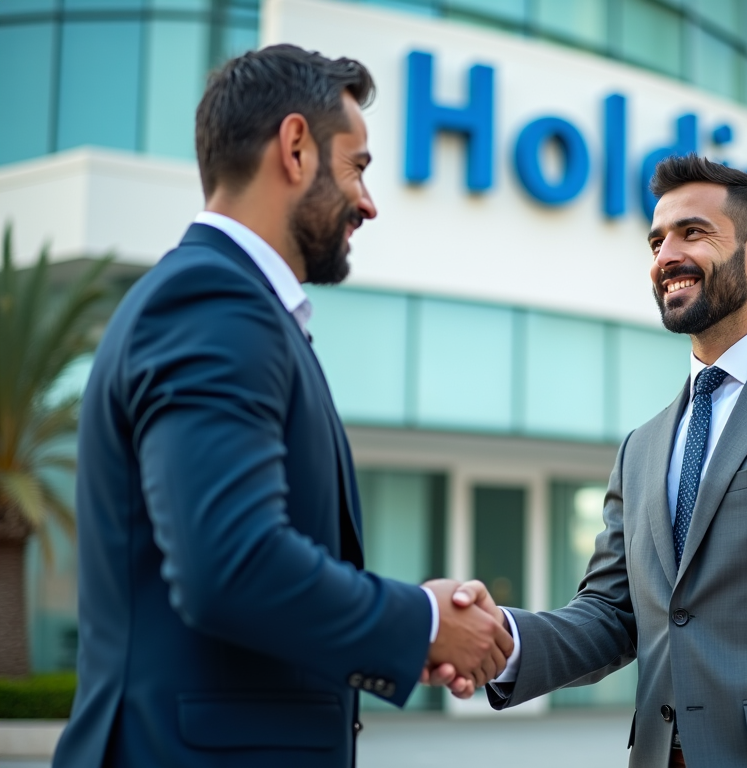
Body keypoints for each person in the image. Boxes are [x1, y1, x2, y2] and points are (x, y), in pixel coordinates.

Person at [52, 45, 511, 768]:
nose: (369, 201)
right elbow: (229, 562)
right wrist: (421, 624)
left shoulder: (229, 303)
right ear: (295, 147)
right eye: (358, 166)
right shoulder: (213, 301)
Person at [439, 155, 747, 768]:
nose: (665, 255)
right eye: (656, 240)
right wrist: (503, 640)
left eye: (692, 233)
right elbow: (612, 615)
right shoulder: (641, 447)